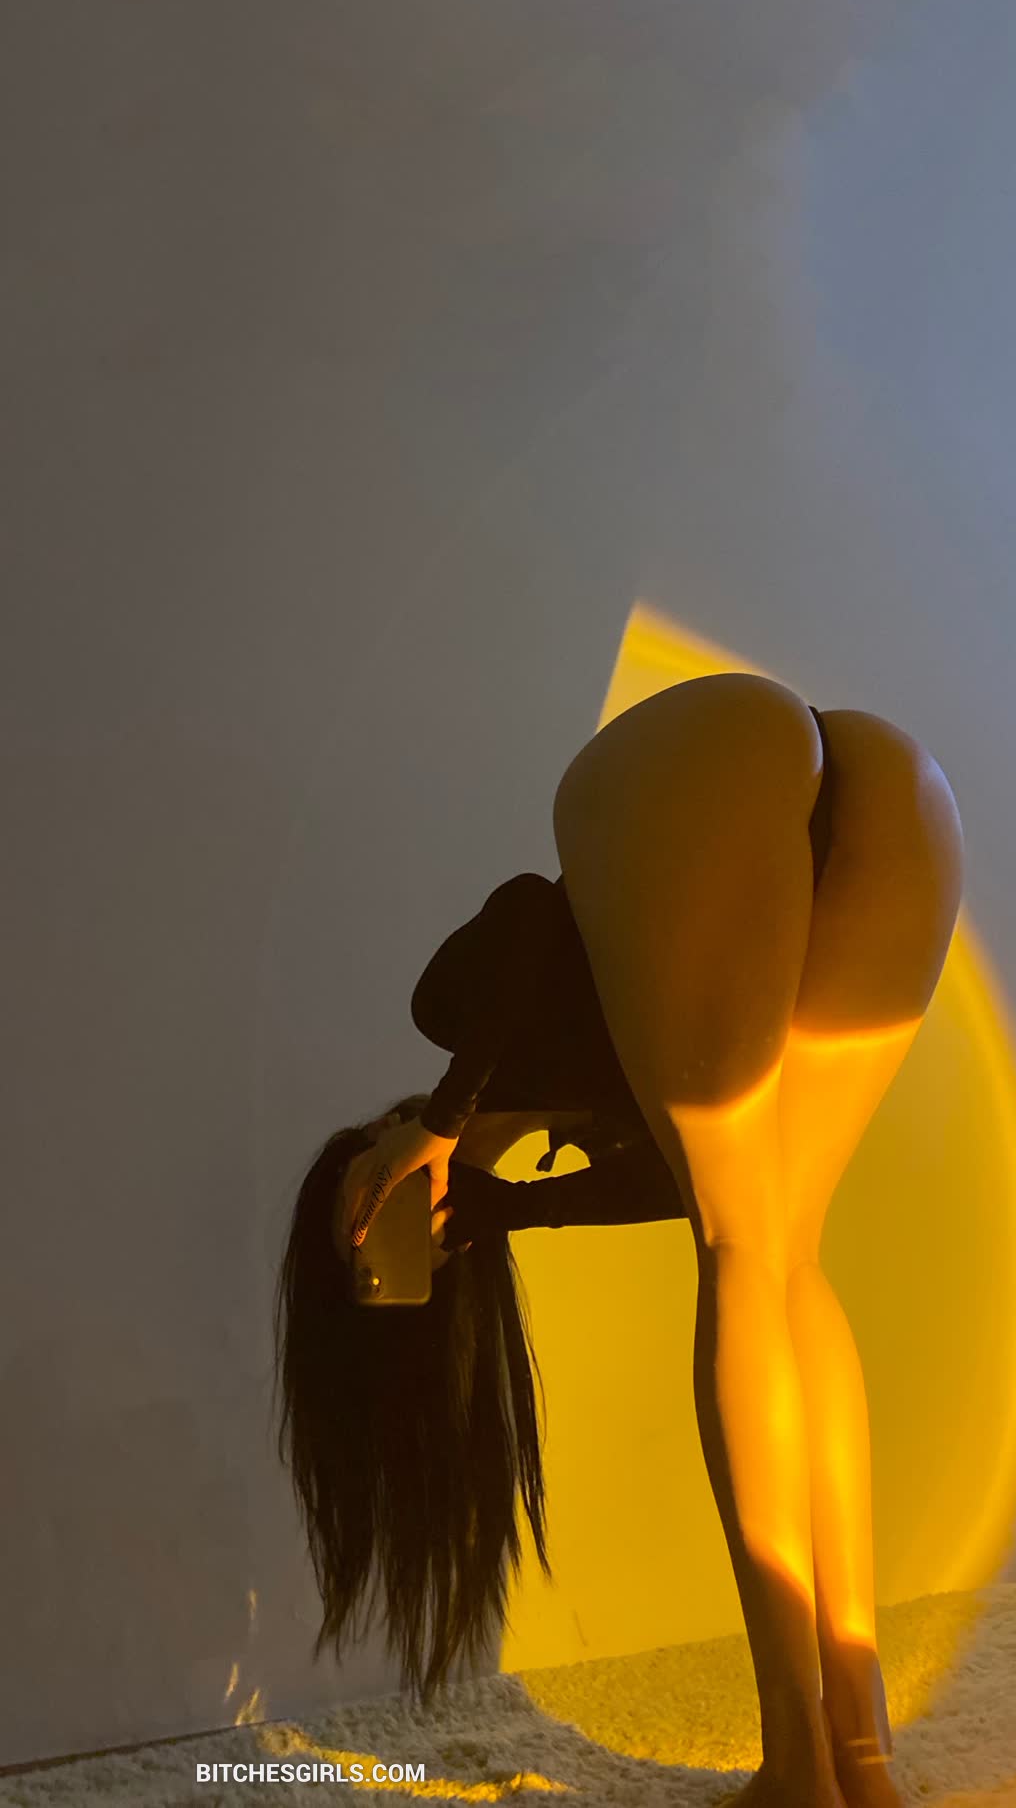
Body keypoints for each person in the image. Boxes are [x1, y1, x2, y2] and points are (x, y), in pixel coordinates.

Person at [275, 672, 964, 1808]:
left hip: (688, 768)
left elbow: (527, 916)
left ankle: (798, 1765)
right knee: (780, 1253)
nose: (382, 1230)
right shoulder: (622, 1102)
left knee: (749, 1251)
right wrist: (504, 1206)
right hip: (892, 791)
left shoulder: (450, 1017)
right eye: (382, 1260)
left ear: (366, 1151)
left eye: (358, 1210)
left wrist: (442, 1123)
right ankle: (860, 1758)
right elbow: (671, 1194)